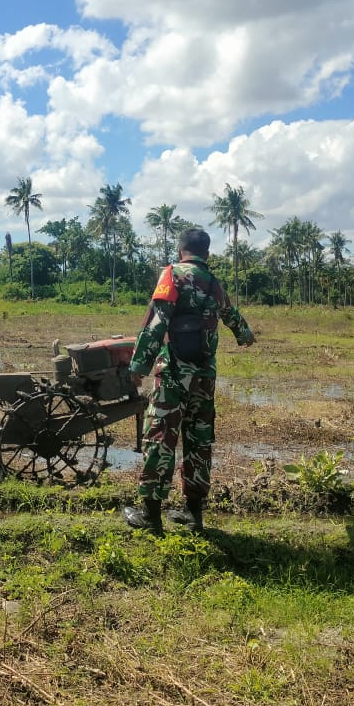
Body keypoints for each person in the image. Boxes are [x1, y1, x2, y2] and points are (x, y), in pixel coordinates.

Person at [123, 228, 254, 535]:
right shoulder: (213, 283)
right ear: (206, 253)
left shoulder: (173, 275)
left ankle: (150, 515)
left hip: (172, 375)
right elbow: (230, 314)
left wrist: (139, 364)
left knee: (161, 437)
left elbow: (157, 321)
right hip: (204, 376)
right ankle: (194, 514)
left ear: (181, 251)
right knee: (199, 439)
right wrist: (244, 334)